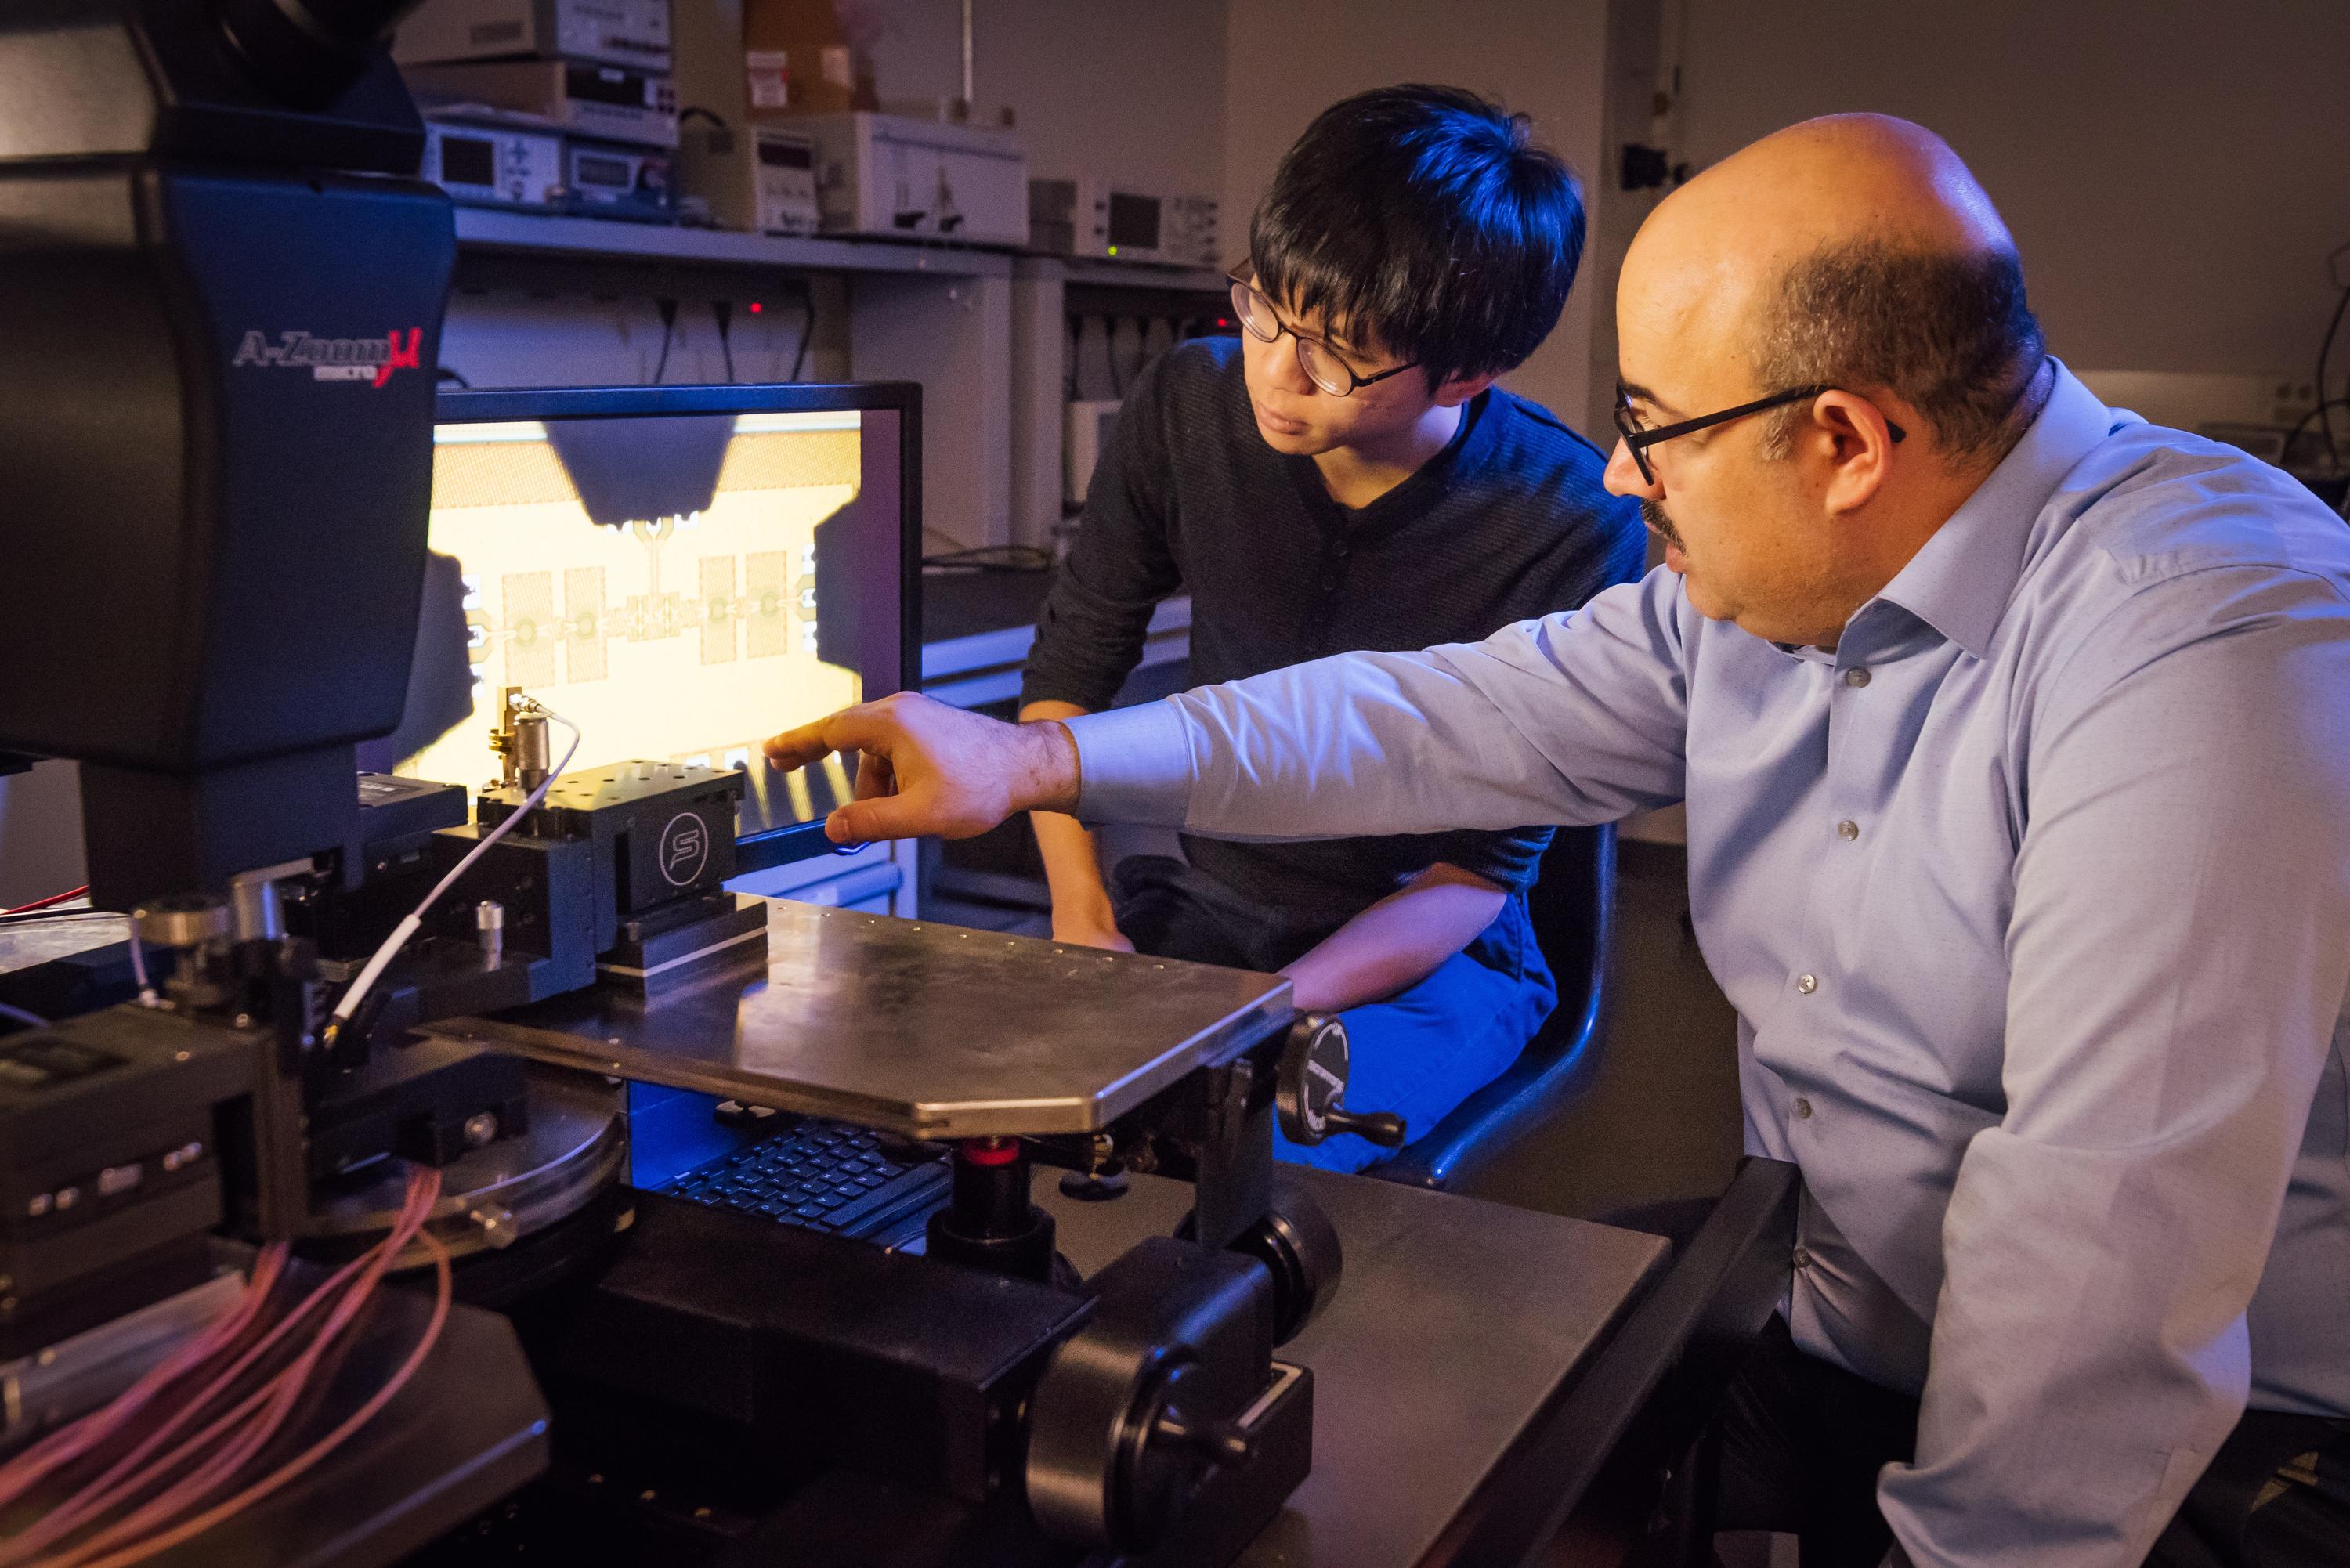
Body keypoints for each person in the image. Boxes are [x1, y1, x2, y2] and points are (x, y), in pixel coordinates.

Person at [769, 114, 2350, 1564]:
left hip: (2200, 1451)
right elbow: (1425, 714)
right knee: (1394, 1425)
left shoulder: (2209, 642)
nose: (1617, 472)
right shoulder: (1751, 595)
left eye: (1655, 427)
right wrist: (1034, 756)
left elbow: (2096, 1267)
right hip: (1834, 1302)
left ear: (1848, 443)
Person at [1018, 85, 1645, 1172]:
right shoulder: (1188, 406)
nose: (1273, 371)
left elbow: (1475, 876)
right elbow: (1070, 672)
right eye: (1264, 307)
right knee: (1000, 1118)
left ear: (1467, 373)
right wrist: (1082, 912)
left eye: (1335, 353)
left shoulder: (1568, 517)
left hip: (1431, 961)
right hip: (1206, 918)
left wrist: (1259, 1015)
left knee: (1258, 1153)